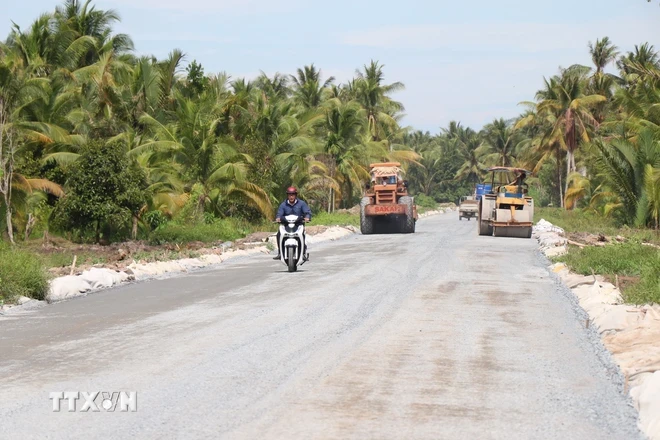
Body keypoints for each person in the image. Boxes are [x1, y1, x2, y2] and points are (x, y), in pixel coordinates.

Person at [273, 186, 312, 260]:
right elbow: (279, 214)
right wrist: (278, 218)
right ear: (287, 195)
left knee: (302, 234)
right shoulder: (283, 205)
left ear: (295, 195)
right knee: (279, 234)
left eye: (293, 194)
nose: (291, 196)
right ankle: (280, 253)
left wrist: (307, 217)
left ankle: (303, 253)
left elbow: (307, 212)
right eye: (289, 194)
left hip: (298, 225)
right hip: (286, 226)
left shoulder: (302, 204)